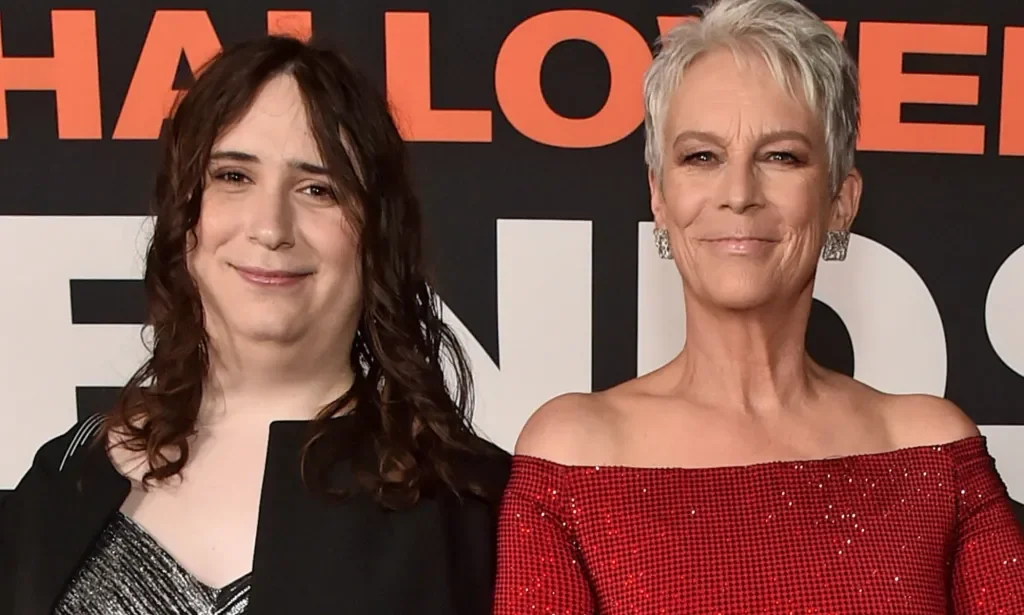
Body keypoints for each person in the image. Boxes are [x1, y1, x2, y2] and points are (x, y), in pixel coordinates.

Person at [493, 0, 1024, 612]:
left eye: (782, 157)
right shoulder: (573, 456)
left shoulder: (933, 455)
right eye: (701, 157)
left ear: (841, 200)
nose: (740, 194)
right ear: (659, 197)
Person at [0, 35, 508, 614]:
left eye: (318, 189)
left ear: (378, 236)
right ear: (183, 216)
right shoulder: (68, 474)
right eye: (233, 177)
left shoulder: (471, 507)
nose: (270, 227)